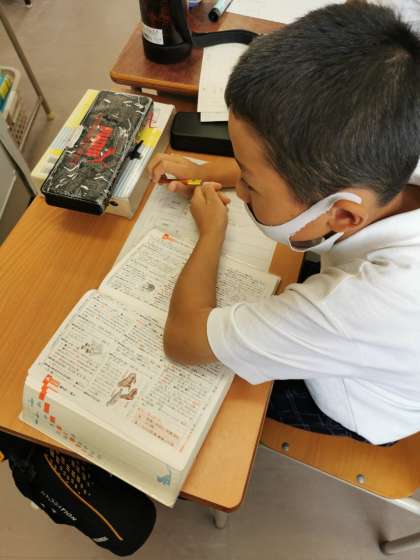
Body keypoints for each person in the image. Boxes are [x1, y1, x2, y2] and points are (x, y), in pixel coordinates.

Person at [148, 2, 420, 446]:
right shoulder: (391, 138)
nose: (242, 192)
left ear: (343, 215)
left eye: (250, 183)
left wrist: (211, 232)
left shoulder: (362, 305)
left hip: (359, 403)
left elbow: (182, 339)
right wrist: (209, 169)